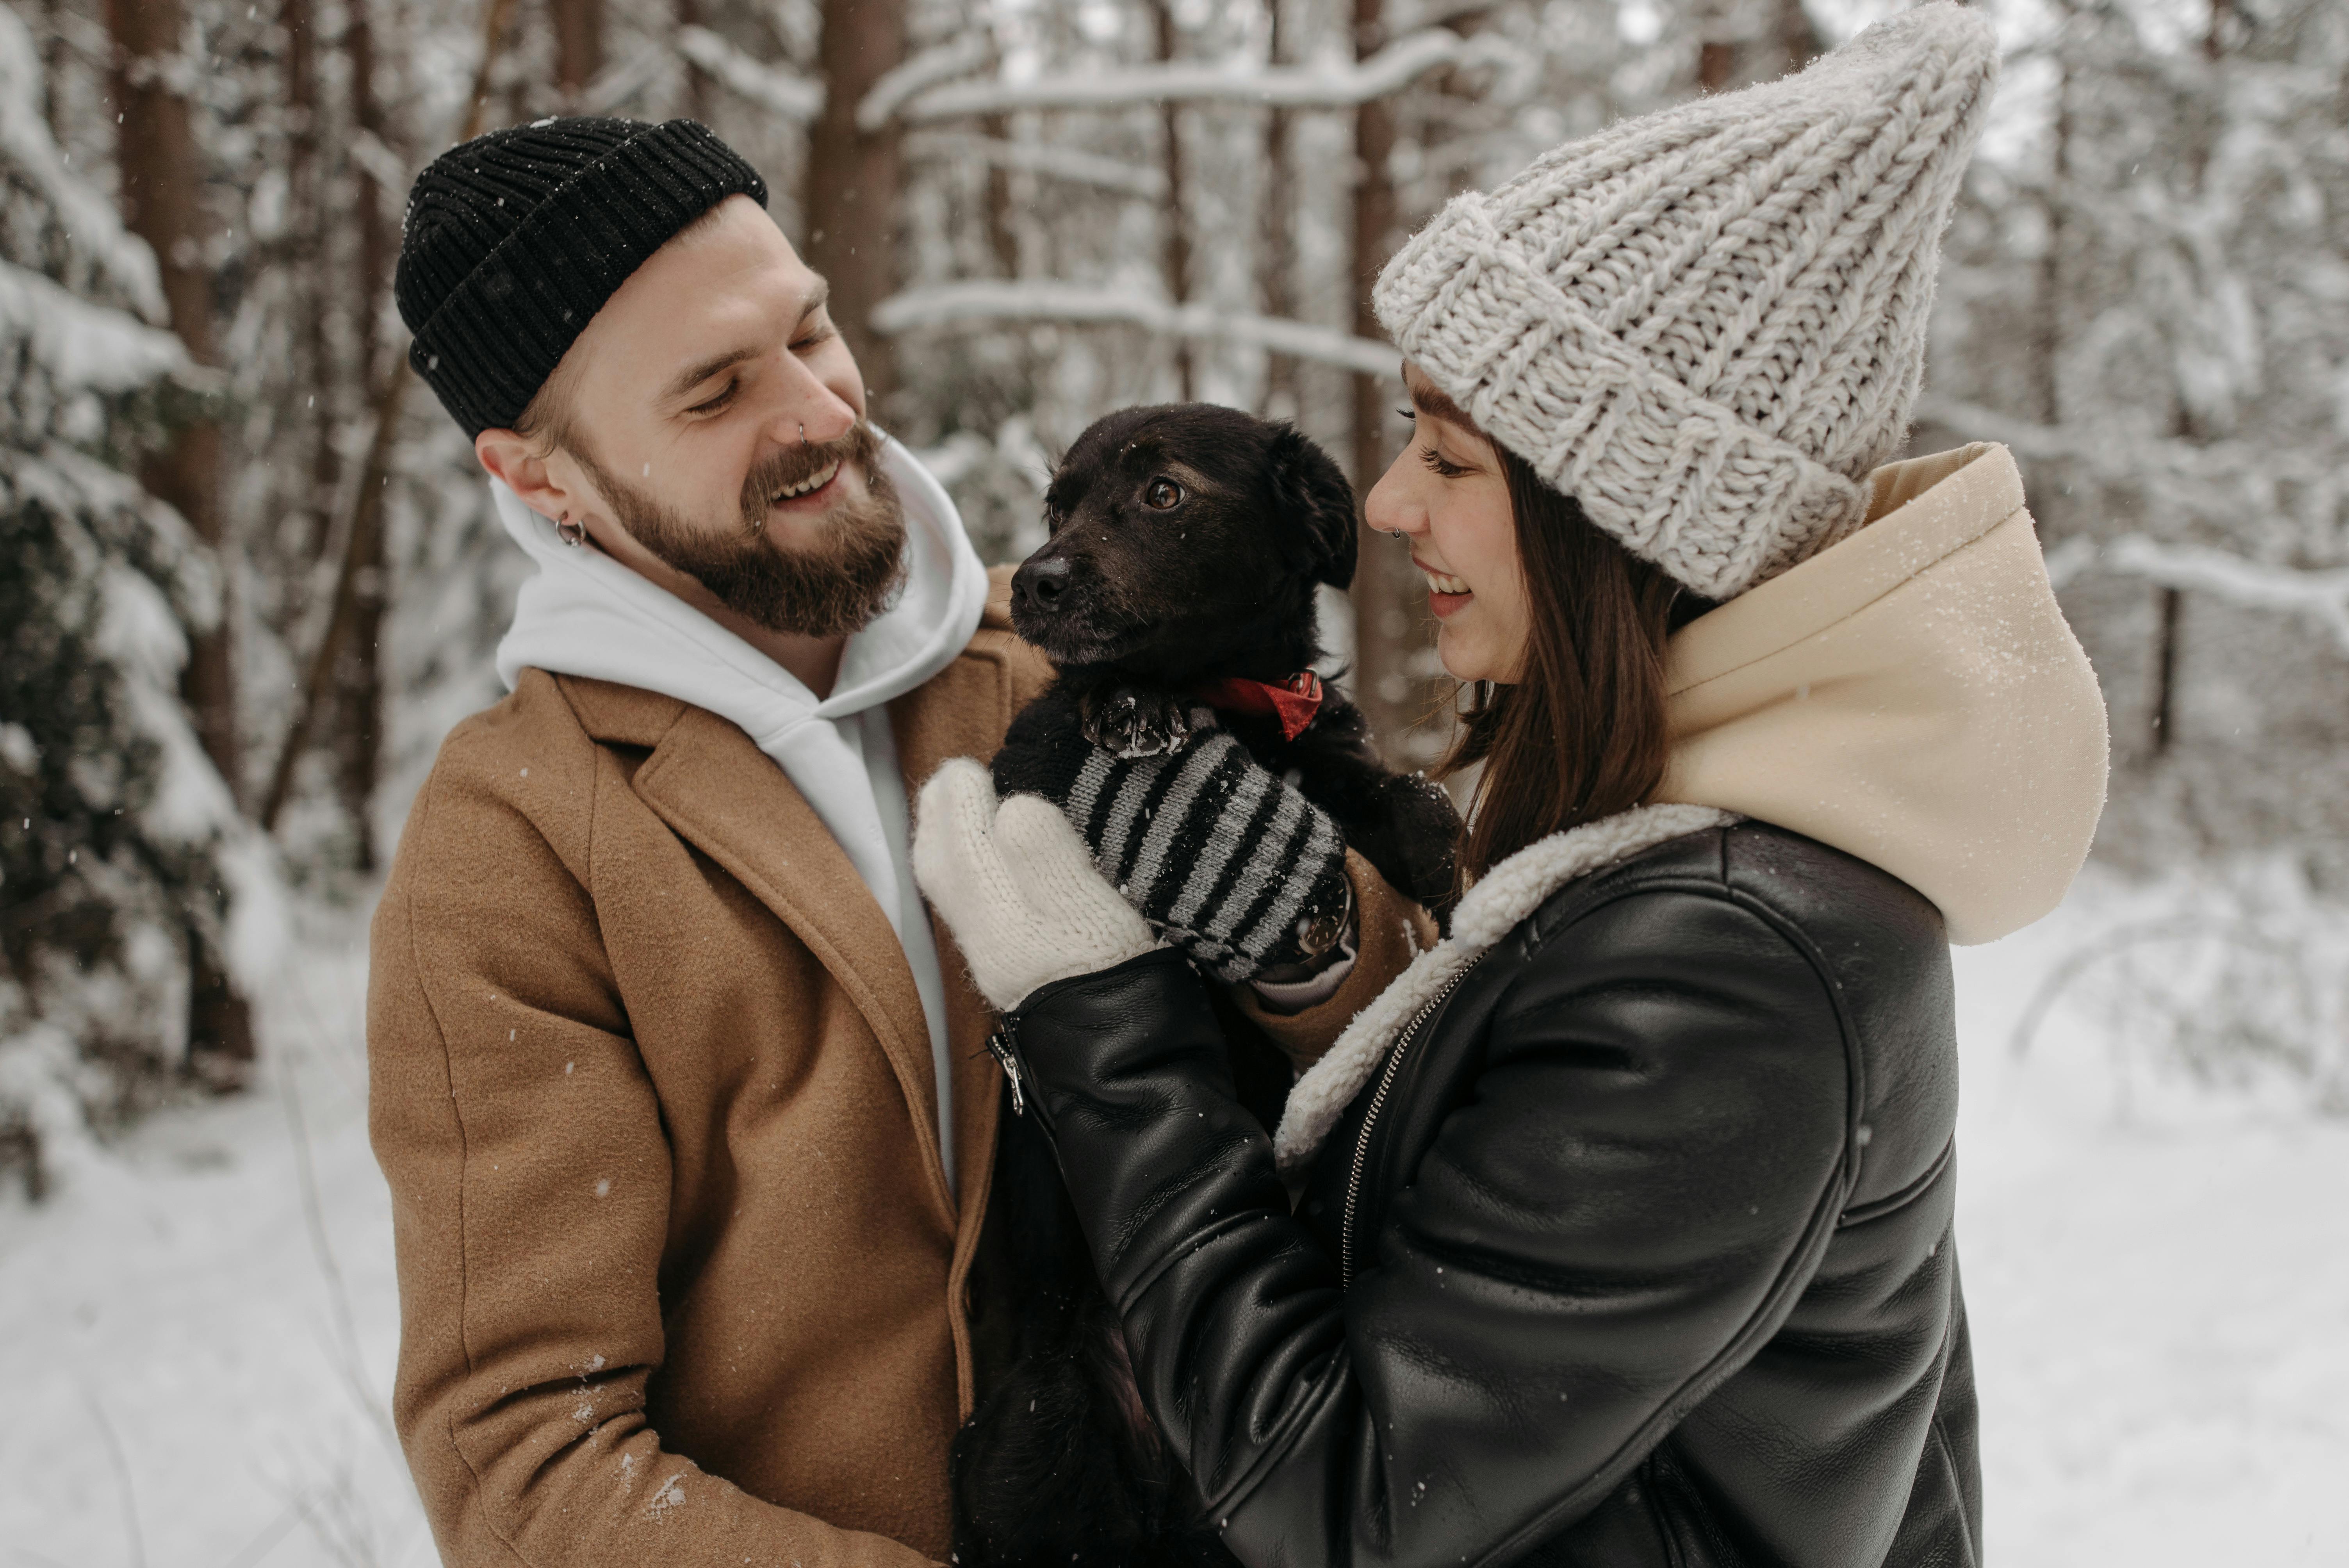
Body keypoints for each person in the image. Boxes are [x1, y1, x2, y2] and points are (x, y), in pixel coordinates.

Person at [911, 8, 2110, 1565]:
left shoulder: (1740, 953)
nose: (1391, 499)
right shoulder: (1679, 855)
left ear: (1621, 520)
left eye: (1452, 456)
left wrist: (1103, 1012)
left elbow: (1349, 1502)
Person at [366, 117, 1423, 1566]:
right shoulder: (519, 850)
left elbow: (1423, 1070)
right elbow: (522, 1461)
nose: (817, 410)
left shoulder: (1079, 667)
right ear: (540, 474)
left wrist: (1314, 956)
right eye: (716, 391)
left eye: (810, 331)